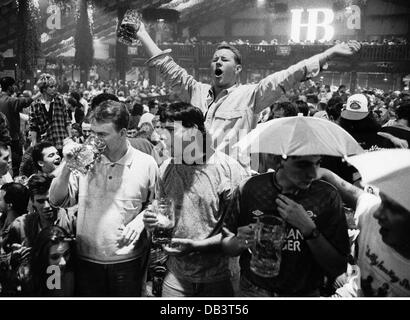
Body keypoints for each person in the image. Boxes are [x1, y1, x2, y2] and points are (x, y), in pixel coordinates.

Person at [133, 22, 361, 167]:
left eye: (224, 59)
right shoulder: (196, 90)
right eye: (215, 59)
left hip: (231, 181)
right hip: (194, 174)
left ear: (238, 69)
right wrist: (143, 34)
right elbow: (166, 66)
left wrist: (329, 53)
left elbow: (289, 75)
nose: (218, 62)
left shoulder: (252, 95)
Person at [50, 100, 158, 296]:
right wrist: (67, 166)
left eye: (102, 134)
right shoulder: (86, 160)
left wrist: (141, 220)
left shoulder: (146, 163)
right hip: (87, 259)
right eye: (93, 133)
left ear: (124, 133)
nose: (95, 140)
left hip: (128, 261)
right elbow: (57, 200)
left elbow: (158, 203)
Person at [143, 102, 248, 297]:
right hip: (176, 275)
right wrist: (153, 222)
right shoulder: (167, 168)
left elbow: (238, 234)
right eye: (160, 128)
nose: (160, 136)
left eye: (170, 129)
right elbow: (163, 215)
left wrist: (196, 246)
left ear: (192, 131)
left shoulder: (228, 170)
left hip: (219, 276)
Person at [222, 155, 350, 296]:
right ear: (279, 160)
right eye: (302, 165)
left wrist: (308, 229)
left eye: (317, 164)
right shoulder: (250, 188)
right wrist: (240, 241)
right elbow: (227, 245)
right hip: (254, 290)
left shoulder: (326, 196)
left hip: (304, 293)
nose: (313, 174)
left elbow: (338, 266)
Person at [318, 167, 410, 296]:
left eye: (392, 208)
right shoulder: (372, 212)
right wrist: (321, 173)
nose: (377, 214)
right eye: (382, 202)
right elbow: (355, 194)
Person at [6, 173, 76, 250]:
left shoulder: (71, 220)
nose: (46, 206)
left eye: (50, 200)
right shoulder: (20, 226)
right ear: (32, 201)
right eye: (40, 201)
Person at [0, 77, 39, 176]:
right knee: (15, 165)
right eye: (14, 85)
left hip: (3, 140)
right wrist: (39, 93)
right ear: (10, 87)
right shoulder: (10, 100)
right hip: (12, 139)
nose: (15, 87)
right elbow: (26, 102)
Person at [29, 74, 72, 155]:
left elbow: (67, 119)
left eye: (55, 86)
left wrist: (70, 137)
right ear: (44, 89)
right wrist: (34, 144)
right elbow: (33, 126)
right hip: (45, 144)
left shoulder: (59, 100)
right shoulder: (35, 105)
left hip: (61, 141)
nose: (54, 89)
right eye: (51, 87)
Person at [28, 226, 75, 296]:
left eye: (66, 254)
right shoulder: (28, 280)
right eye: (55, 257)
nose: (63, 262)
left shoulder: (70, 275)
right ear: (43, 258)